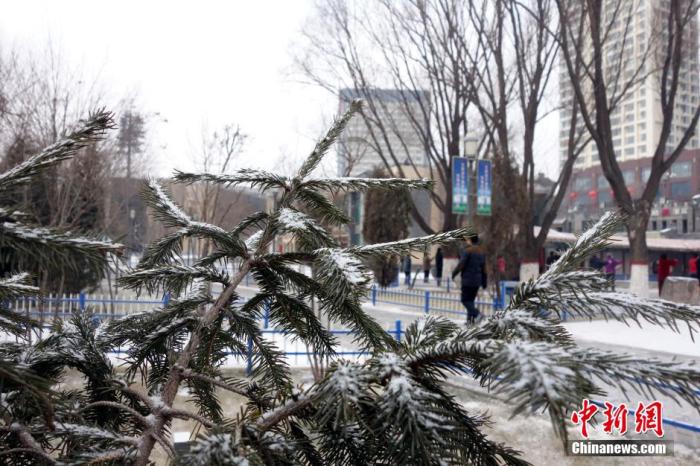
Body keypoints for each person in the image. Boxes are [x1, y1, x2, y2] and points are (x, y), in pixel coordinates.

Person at [452, 234, 487, 325]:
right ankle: (470, 321)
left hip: (468, 280)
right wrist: (484, 282)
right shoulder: (481, 252)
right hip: (477, 281)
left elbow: (461, 264)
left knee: (465, 300)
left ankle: (477, 314)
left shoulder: (468, 251)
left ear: (470, 240)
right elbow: (484, 269)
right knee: (470, 300)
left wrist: (454, 273)